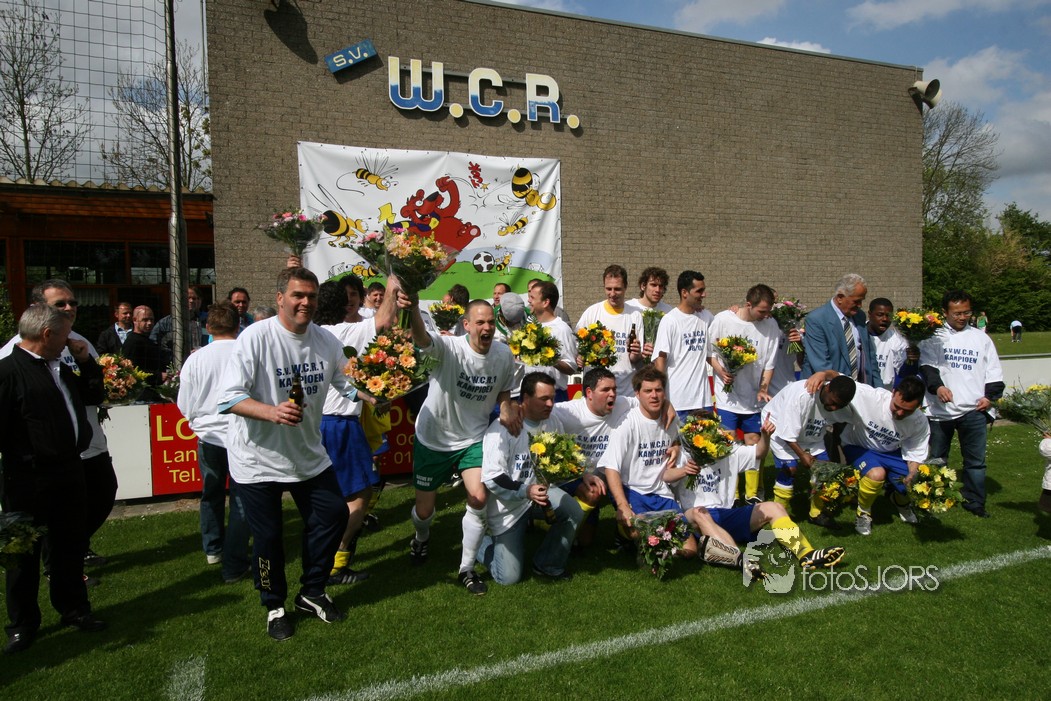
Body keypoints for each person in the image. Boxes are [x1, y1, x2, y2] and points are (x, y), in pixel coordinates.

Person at [217, 267, 386, 641]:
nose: (305, 302)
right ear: (281, 298)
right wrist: (271, 412)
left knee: (333, 514)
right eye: (298, 295)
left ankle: (312, 591)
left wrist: (371, 394)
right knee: (269, 538)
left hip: (308, 455)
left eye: (311, 296)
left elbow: (343, 382)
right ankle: (274, 605)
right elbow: (228, 399)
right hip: (257, 460)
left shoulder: (325, 340)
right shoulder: (256, 338)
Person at [1, 304, 107, 655]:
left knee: (69, 546)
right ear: (46, 334)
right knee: (23, 555)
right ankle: (22, 624)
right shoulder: (8, 372)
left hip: (69, 471)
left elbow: (93, 394)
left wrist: (87, 362)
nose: (68, 341)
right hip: (28, 479)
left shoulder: (60, 366)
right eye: (64, 335)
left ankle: (74, 608)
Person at [396, 292, 519, 596]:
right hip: (433, 438)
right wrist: (414, 309)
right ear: (466, 325)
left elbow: (505, 389)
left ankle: (466, 568)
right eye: (480, 322)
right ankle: (421, 538)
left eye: (490, 322)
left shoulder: (503, 354)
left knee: (478, 497)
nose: (486, 328)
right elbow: (422, 338)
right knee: (424, 511)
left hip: (473, 438)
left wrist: (505, 407)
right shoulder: (449, 348)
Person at [1, 280, 117, 573]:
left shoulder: (78, 341)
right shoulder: (11, 355)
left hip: (86, 448)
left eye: (73, 302)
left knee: (102, 496)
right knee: (38, 536)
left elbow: (92, 391)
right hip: (38, 464)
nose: (69, 308)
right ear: (37, 310)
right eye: (60, 304)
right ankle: (59, 563)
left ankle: (72, 552)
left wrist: (89, 365)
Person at [315, 275, 397, 585]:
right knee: (360, 496)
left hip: (321, 422)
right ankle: (335, 562)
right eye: (347, 297)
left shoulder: (314, 334)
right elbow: (384, 320)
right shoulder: (340, 333)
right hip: (339, 424)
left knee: (332, 496)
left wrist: (369, 396)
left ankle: (325, 559)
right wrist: (394, 280)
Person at [669, 432, 846, 573]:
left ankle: (806, 553)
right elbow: (663, 477)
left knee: (774, 507)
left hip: (726, 514)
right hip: (693, 518)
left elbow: (759, 453)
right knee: (700, 512)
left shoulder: (727, 451)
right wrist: (683, 470)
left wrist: (765, 435)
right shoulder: (682, 455)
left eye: (711, 431)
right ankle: (742, 561)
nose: (708, 436)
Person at [478, 373, 583, 584]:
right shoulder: (502, 428)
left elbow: (561, 459)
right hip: (508, 505)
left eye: (552, 398)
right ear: (525, 398)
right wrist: (525, 490)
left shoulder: (552, 421)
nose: (550, 404)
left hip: (539, 493)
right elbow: (492, 477)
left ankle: (547, 564)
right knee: (508, 577)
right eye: (543, 399)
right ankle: (479, 542)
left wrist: (580, 472)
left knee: (573, 511)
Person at [176, 302, 251, 582]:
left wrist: (199, 423)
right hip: (240, 434)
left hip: (209, 436)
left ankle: (214, 548)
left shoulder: (196, 359)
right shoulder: (245, 352)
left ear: (209, 327)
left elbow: (185, 404)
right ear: (237, 325)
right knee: (242, 496)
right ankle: (235, 551)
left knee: (212, 493)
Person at [920, 290, 1005, 518]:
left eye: (966, 312)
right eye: (957, 313)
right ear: (945, 312)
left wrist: (990, 397)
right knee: (936, 460)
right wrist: (938, 387)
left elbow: (994, 371)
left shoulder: (981, 338)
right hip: (940, 410)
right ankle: (932, 500)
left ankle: (975, 502)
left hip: (973, 409)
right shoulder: (934, 336)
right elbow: (927, 366)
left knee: (975, 462)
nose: (962, 317)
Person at [600, 366, 696, 558]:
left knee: (691, 549)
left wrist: (676, 446)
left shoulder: (670, 418)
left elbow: (675, 439)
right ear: (637, 394)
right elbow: (611, 467)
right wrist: (622, 505)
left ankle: (661, 548)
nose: (654, 395)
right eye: (648, 391)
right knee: (640, 533)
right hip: (633, 490)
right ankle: (623, 534)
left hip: (661, 492)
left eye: (658, 390)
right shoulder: (627, 424)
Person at [839, 376, 930, 535]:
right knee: (877, 474)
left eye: (907, 410)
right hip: (858, 446)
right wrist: (822, 375)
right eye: (897, 406)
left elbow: (915, 453)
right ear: (893, 393)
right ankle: (863, 513)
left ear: (918, 406)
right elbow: (838, 379)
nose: (900, 413)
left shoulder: (919, 421)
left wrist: (912, 473)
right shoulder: (871, 397)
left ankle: (900, 502)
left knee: (916, 482)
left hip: (890, 452)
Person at [760, 375, 855, 520]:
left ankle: (816, 513)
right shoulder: (802, 396)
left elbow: (836, 374)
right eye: (833, 402)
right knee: (790, 470)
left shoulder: (841, 400)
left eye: (840, 406)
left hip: (810, 432)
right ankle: (778, 516)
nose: (834, 408)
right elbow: (788, 435)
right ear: (827, 388)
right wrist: (802, 455)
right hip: (778, 425)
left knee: (824, 471)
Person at [707, 284, 780, 455]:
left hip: (752, 399)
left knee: (753, 441)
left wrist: (763, 389)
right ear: (748, 305)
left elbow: (769, 364)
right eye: (762, 311)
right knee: (728, 439)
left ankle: (753, 475)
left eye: (768, 311)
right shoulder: (723, 319)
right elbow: (709, 353)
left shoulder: (771, 325)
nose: (766, 315)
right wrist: (721, 372)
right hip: (726, 397)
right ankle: (731, 474)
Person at [801, 273, 882, 388]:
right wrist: (845, 390)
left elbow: (870, 358)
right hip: (830, 390)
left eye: (862, 300)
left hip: (861, 388)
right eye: (856, 301)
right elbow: (821, 364)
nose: (860, 305)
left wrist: (879, 390)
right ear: (840, 298)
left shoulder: (859, 316)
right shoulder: (817, 320)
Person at [575, 264, 645, 397]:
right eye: (609, 289)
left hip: (625, 390)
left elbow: (635, 358)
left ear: (625, 287)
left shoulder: (635, 315)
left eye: (617, 289)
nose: (612, 294)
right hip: (596, 390)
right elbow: (577, 345)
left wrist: (636, 354)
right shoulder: (592, 313)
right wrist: (579, 357)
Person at [652, 270, 714, 418]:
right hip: (678, 402)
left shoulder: (706, 316)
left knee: (710, 434)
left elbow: (713, 349)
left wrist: (734, 310)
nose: (704, 295)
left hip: (703, 401)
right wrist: (662, 397)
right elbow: (660, 360)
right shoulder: (670, 320)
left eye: (703, 290)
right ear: (684, 292)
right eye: (699, 291)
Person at [526, 281, 579, 402]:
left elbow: (571, 367)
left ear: (545, 302)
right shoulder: (530, 326)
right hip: (530, 394)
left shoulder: (562, 329)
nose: (529, 301)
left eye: (532, 298)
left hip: (554, 396)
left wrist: (551, 358)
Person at [867, 298, 918, 388]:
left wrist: (911, 361)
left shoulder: (898, 340)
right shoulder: (858, 333)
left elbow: (904, 374)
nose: (885, 319)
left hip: (884, 391)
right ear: (870, 314)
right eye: (880, 315)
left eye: (888, 316)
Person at [121, 305, 170, 389]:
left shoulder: (147, 340)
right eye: (145, 320)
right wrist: (158, 376)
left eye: (151, 320)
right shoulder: (133, 342)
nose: (149, 323)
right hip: (142, 391)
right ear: (135, 320)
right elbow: (131, 370)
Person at [151, 287, 208, 353]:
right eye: (188, 298)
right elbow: (154, 344)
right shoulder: (164, 323)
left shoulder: (207, 320)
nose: (191, 301)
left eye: (194, 298)